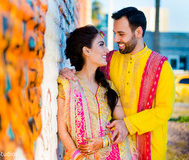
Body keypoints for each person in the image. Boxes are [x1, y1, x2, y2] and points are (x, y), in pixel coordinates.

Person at [60, 7, 175, 160]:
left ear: (138, 33)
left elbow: (164, 110)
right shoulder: (109, 59)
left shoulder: (161, 66)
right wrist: (65, 71)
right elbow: (86, 67)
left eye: (121, 34)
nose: (115, 40)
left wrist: (127, 124)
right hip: (112, 149)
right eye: (115, 33)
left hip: (149, 148)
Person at [57, 25, 137, 160]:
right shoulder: (67, 84)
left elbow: (121, 126)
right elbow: (62, 130)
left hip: (111, 155)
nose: (107, 50)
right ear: (86, 51)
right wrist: (78, 157)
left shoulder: (109, 87)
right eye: (101, 45)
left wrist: (104, 141)